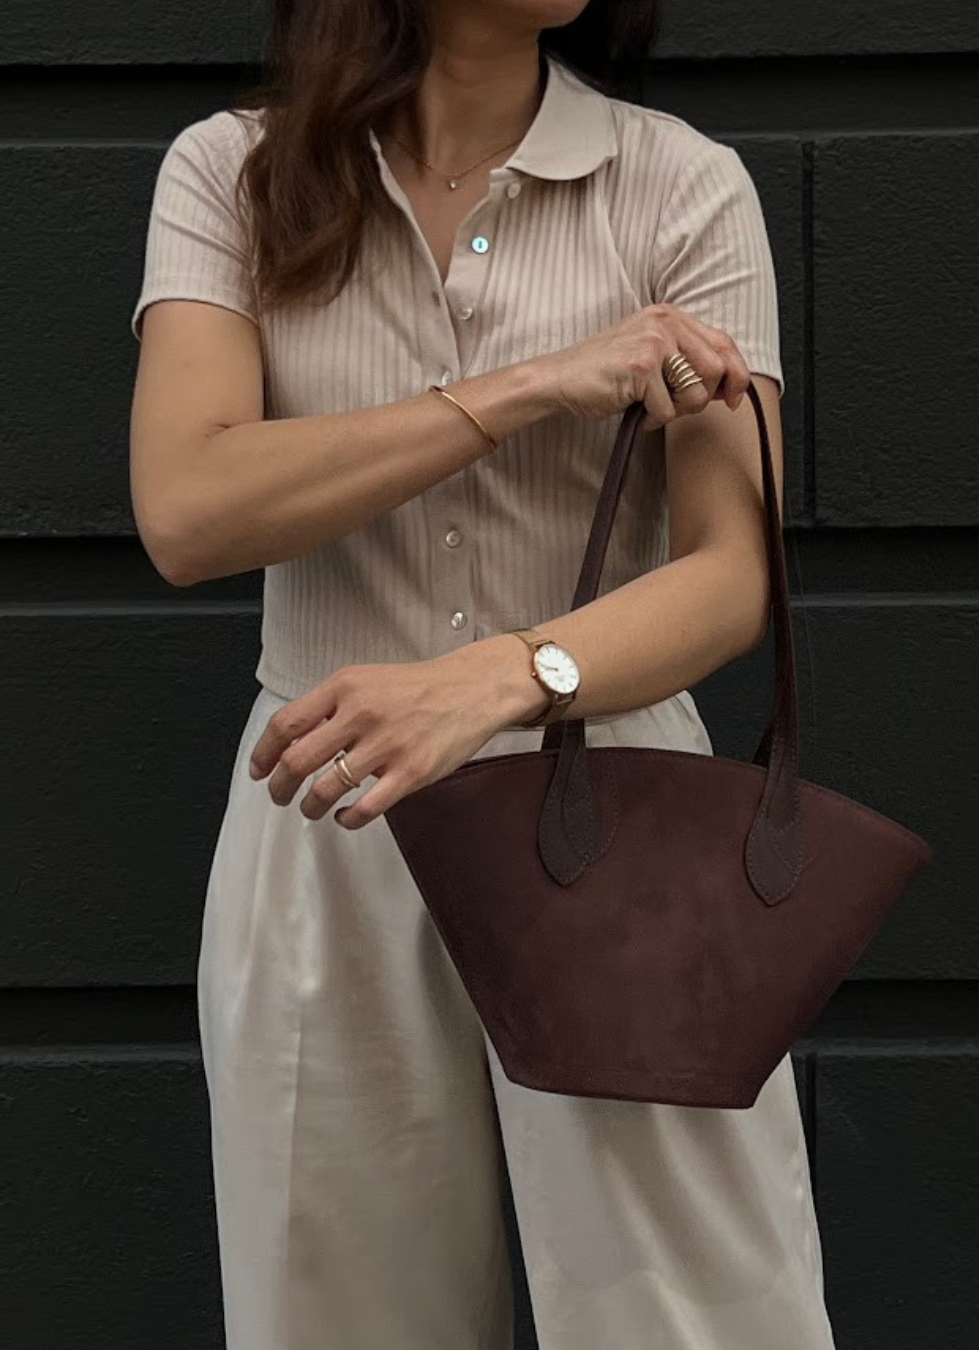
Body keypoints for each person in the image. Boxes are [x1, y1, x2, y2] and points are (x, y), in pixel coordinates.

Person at [128, 2, 835, 1346]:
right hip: (326, 806)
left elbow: (731, 573)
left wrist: (507, 676)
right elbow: (187, 506)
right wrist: (527, 387)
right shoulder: (233, 174)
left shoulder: (680, 185)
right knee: (333, 1314)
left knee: (690, 1314)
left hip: (616, 812)